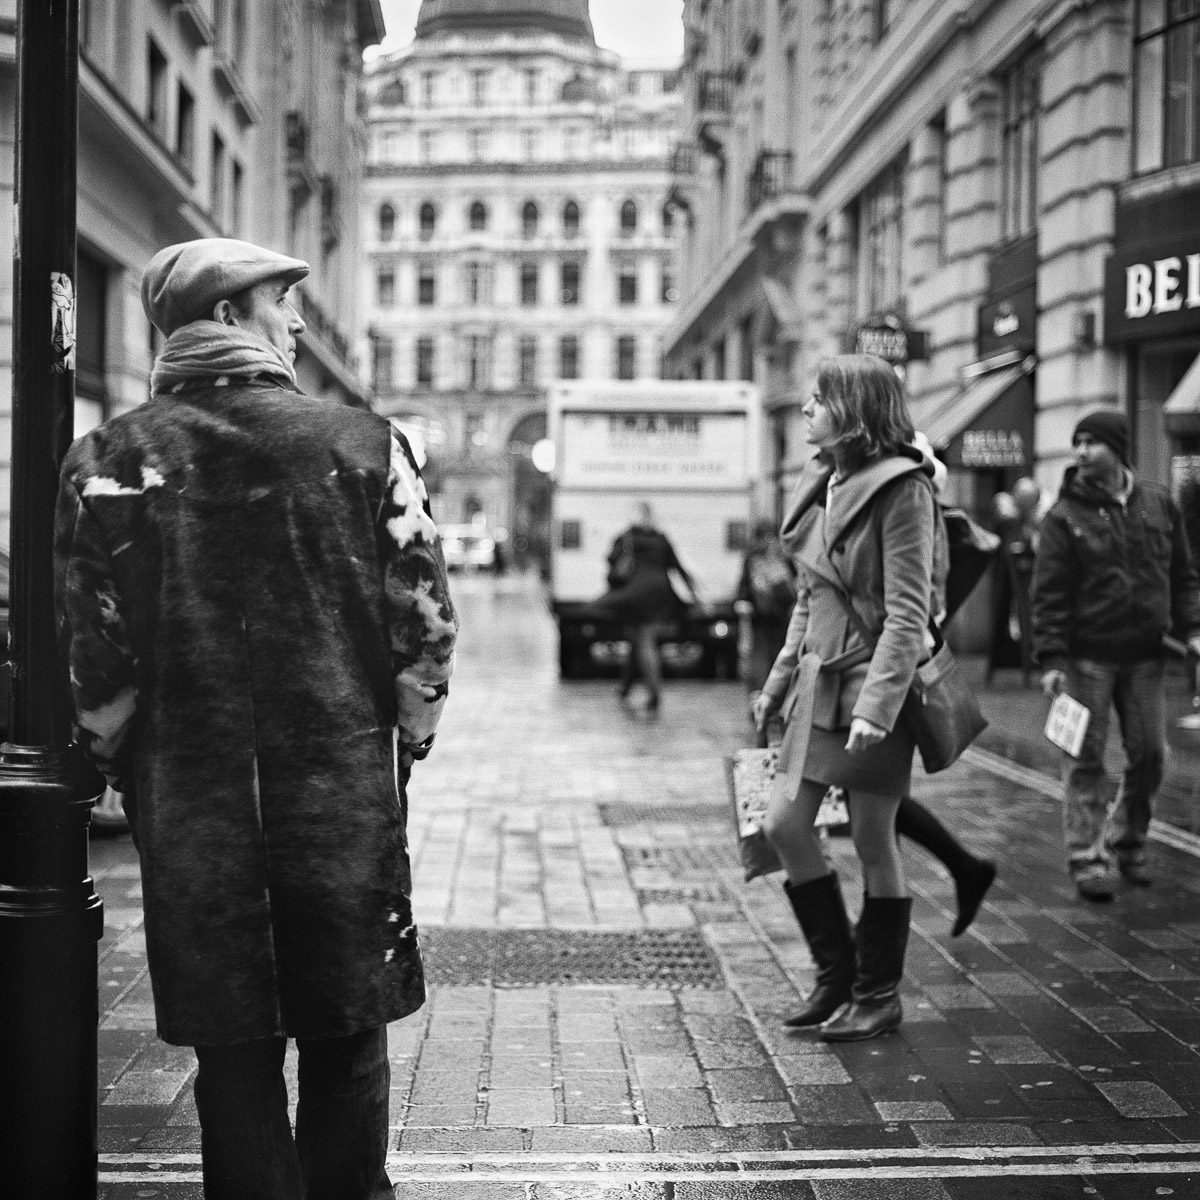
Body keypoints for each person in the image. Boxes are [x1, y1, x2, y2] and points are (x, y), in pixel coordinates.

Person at [53, 237, 459, 1200]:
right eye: (285, 302)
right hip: (340, 794)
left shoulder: (109, 460)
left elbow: (97, 667)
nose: (300, 322)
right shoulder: (366, 445)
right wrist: (405, 742)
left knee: (233, 1050)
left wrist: (122, 765)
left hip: (193, 803)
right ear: (232, 314)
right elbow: (427, 632)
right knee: (346, 1040)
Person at [751, 354, 939, 1042]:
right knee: (783, 826)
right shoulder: (820, 480)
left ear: (855, 411)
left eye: (817, 400)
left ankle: (877, 992)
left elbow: (907, 612)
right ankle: (836, 976)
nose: (805, 409)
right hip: (815, 683)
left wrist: (877, 706)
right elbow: (811, 595)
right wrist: (775, 682)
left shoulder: (902, 490)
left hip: (869, 689)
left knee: (871, 839)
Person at [1031, 408, 1200, 902]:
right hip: (1087, 659)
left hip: (1147, 656)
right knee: (1084, 758)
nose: (1080, 451)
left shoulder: (1158, 505)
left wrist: (1193, 628)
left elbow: (1183, 576)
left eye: (1091, 442)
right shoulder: (1064, 517)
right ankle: (1087, 856)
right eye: (1077, 442)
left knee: (1150, 754)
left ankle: (1128, 840)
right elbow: (1049, 593)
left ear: (1117, 448)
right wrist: (1052, 659)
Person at [593, 500, 696, 712]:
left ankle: (654, 692)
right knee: (638, 639)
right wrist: (693, 592)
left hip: (633, 594)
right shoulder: (660, 539)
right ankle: (626, 687)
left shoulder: (626, 538)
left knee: (644, 640)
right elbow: (677, 566)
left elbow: (612, 563)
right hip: (659, 594)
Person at [737, 518, 798, 696]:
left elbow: (744, 582)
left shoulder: (752, 554)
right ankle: (778, 692)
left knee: (759, 652)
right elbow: (795, 579)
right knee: (780, 651)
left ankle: (759, 693)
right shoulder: (783, 552)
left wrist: (742, 599)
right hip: (783, 611)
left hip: (760, 612)